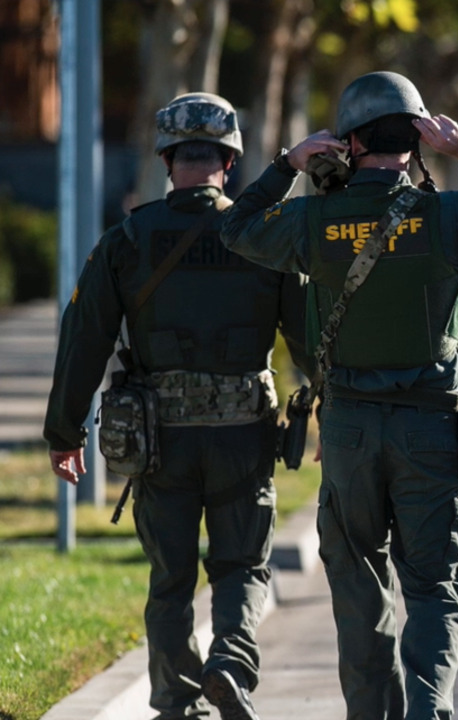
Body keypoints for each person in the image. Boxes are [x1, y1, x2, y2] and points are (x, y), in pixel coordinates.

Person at [220, 71, 458, 720]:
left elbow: (234, 227)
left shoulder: (310, 220)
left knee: (358, 589)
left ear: (348, 143)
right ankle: (427, 709)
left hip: (347, 432)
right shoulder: (451, 217)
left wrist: (288, 164)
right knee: (434, 587)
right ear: (419, 139)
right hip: (431, 432)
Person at [44, 92, 311, 720]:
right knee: (241, 565)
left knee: (170, 581)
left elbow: (84, 339)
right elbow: (307, 333)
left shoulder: (127, 239)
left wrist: (64, 433)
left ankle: (175, 702)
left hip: (158, 441)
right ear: (230, 161)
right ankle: (230, 664)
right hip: (245, 435)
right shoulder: (263, 236)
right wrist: (325, 407)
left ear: (166, 160)